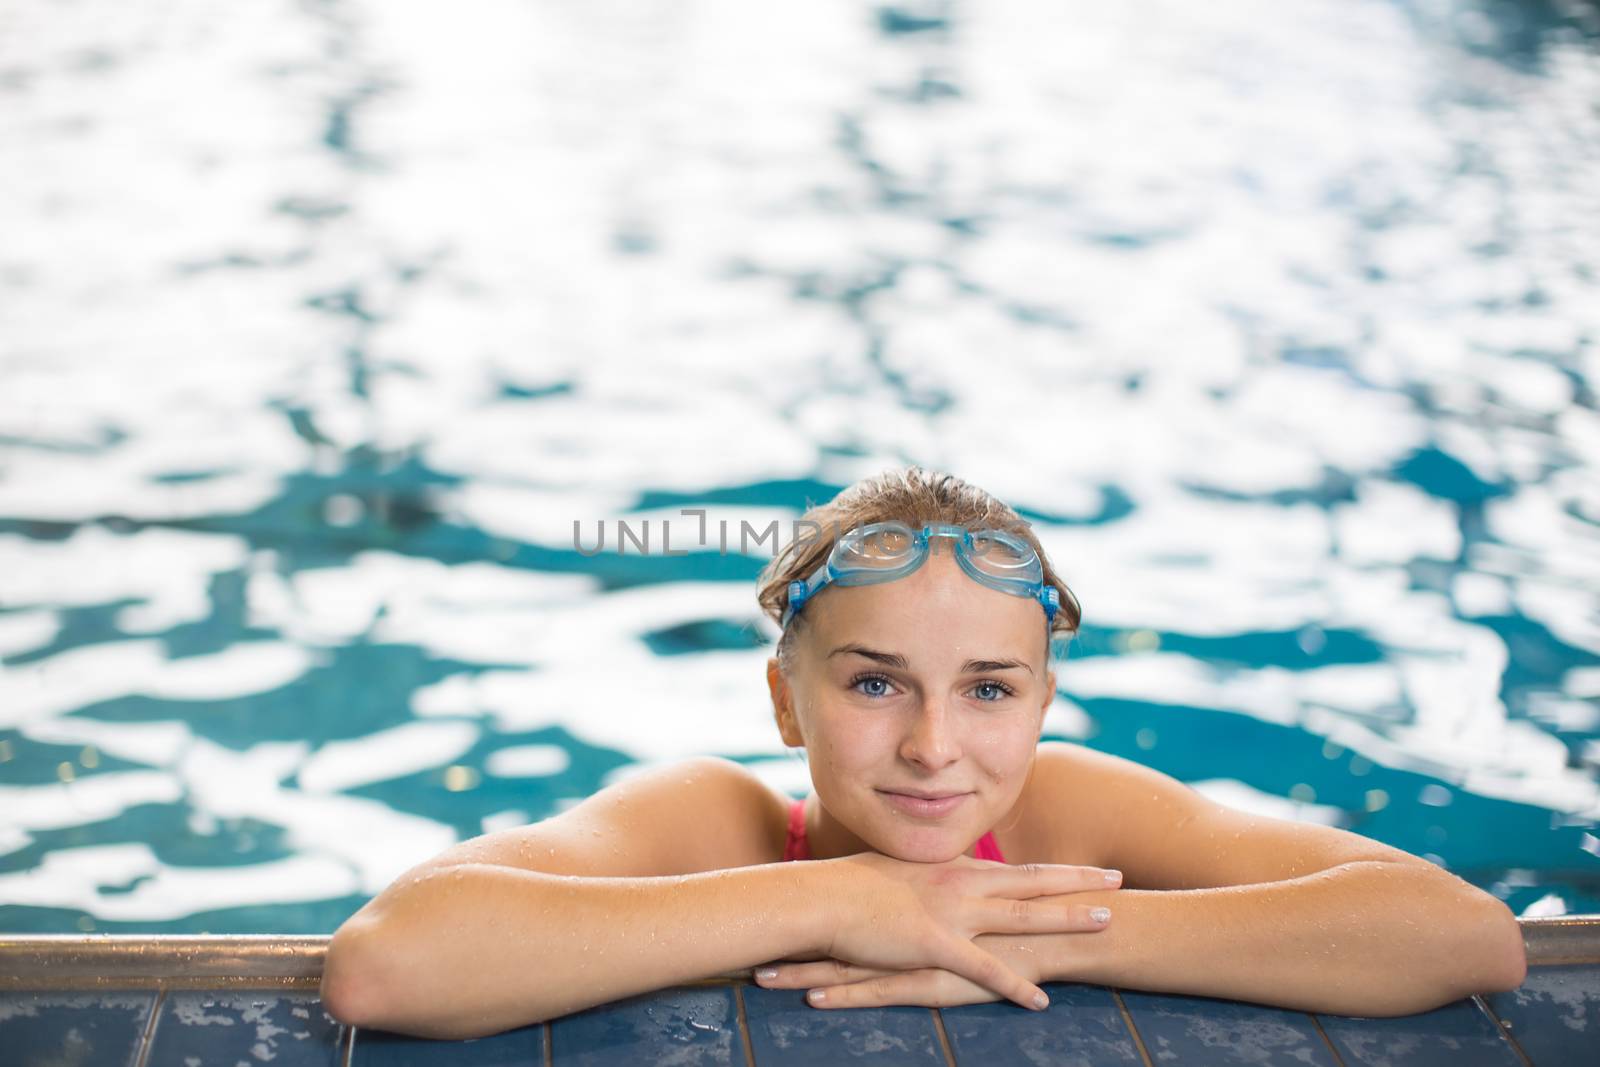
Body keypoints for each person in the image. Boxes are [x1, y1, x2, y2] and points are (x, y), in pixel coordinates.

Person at [318, 466, 1528, 1040]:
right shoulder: (715, 820)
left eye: (988, 687)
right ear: (786, 703)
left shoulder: (1074, 814)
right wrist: (849, 894)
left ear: (1044, 703)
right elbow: (387, 966)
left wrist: (991, 925)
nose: (933, 744)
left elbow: (1462, 933)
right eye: (874, 681)